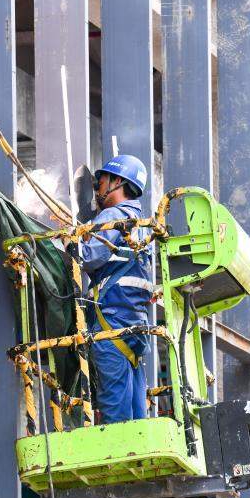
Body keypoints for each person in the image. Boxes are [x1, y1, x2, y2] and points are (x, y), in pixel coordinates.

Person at [80, 154, 155, 424]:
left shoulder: (114, 216)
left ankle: (117, 464)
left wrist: (68, 241)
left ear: (118, 182)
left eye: (102, 181)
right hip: (135, 327)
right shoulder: (141, 225)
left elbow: (88, 257)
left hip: (110, 324)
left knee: (115, 412)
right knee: (135, 411)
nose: (98, 187)